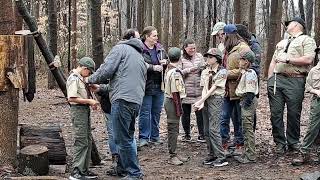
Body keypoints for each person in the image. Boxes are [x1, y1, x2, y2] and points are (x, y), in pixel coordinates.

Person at [88, 32, 147, 179]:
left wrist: (89, 79)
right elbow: (122, 82)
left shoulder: (120, 49)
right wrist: (100, 88)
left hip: (123, 101)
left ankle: (134, 173)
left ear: (124, 39)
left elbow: (106, 71)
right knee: (126, 136)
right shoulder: (139, 56)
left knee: (122, 139)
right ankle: (122, 169)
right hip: (135, 101)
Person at [267, 17, 317, 154]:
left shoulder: (307, 40)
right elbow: (273, 61)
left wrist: (288, 59)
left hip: (295, 80)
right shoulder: (282, 42)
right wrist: (270, 79)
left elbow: (308, 59)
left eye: (288, 24)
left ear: (296, 25)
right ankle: (279, 143)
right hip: (277, 81)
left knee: (294, 113)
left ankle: (293, 142)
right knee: (275, 114)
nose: (287, 26)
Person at [193, 48, 228, 167]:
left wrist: (201, 100)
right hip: (206, 99)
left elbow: (214, 88)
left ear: (217, 59)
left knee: (214, 129)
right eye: (207, 57)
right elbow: (204, 88)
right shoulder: (205, 71)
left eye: (211, 57)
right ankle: (211, 154)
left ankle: (221, 156)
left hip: (216, 99)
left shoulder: (222, 72)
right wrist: (202, 102)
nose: (208, 59)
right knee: (206, 129)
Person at [67, 57, 99, 180]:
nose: (89, 74)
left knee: (87, 139)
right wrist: (89, 101)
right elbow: (71, 98)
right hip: (78, 110)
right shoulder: (73, 79)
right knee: (81, 140)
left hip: (84, 110)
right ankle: (76, 172)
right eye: (89, 72)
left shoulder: (81, 78)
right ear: (84, 68)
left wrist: (92, 100)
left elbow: (85, 92)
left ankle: (84, 170)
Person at [221, 24, 248, 155]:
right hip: (226, 90)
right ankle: (224, 144)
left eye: (223, 35)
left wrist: (226, 73)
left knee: (238, 119)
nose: (221, 37)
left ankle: (239, 144)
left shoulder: (243, 48)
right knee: (223, 117)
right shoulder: (226, 49)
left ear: (228, 35)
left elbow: (245, 69)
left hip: (238, 89)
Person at [138, 26, 166, 148]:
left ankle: (155, 136)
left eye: (156, 35)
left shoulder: (159, 48)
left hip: (159, 85)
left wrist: (165, 62)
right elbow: (139, 64)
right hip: (145, 85)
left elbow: (167, 60)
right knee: (145, 112)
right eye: (154, 35)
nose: (156, 37)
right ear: (147, 36)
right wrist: (152, 67)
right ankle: (144, 137)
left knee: (156, 112)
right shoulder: (140, 49)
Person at [292, 46, 320, 166]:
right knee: (313, 127)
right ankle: (304, 153)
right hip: (318, 101)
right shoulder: (314, 71)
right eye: (319, 53)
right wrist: (316, 91)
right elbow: (308, 87)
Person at [164, 47, 189, 165]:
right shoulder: (175, 73)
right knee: (173, 128)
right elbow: (176, 92)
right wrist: (178, 108)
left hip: (172, 101)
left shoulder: (169, 69)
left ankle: (174, 152)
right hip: (173, 101)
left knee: (175, 128)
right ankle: (172, 154)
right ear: (180, 58)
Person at [236, 24, 262, 131]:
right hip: (243, 78)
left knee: (250, 106)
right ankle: (244, 131)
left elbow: (255, 65)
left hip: (251, 79)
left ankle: (251, 130)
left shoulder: (254, 46)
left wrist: (244, 71)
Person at [234, 49, 258, 164]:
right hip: (245, 100)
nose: (239, 61)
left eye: (241, 59)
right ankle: (248, 152)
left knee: (248, 128)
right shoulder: (245, 72)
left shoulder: (250, 74)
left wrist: (245, 104)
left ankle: (250, 155)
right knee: (245, 128)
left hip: (247, 101)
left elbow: (250, 93)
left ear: (247, 62)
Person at [179, 38, 205, 142]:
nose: (193, 50)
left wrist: (202, 69)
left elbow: (205, 68)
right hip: (186, 90)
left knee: (200, 113)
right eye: (190, 48)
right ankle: (186, 134)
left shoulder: (199, 56)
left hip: (199, 89)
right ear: (185, 48)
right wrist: (189, 70)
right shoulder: (181, 58)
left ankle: (202, 134)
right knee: (185, 114)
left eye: (194, 48)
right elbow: (178, 71)